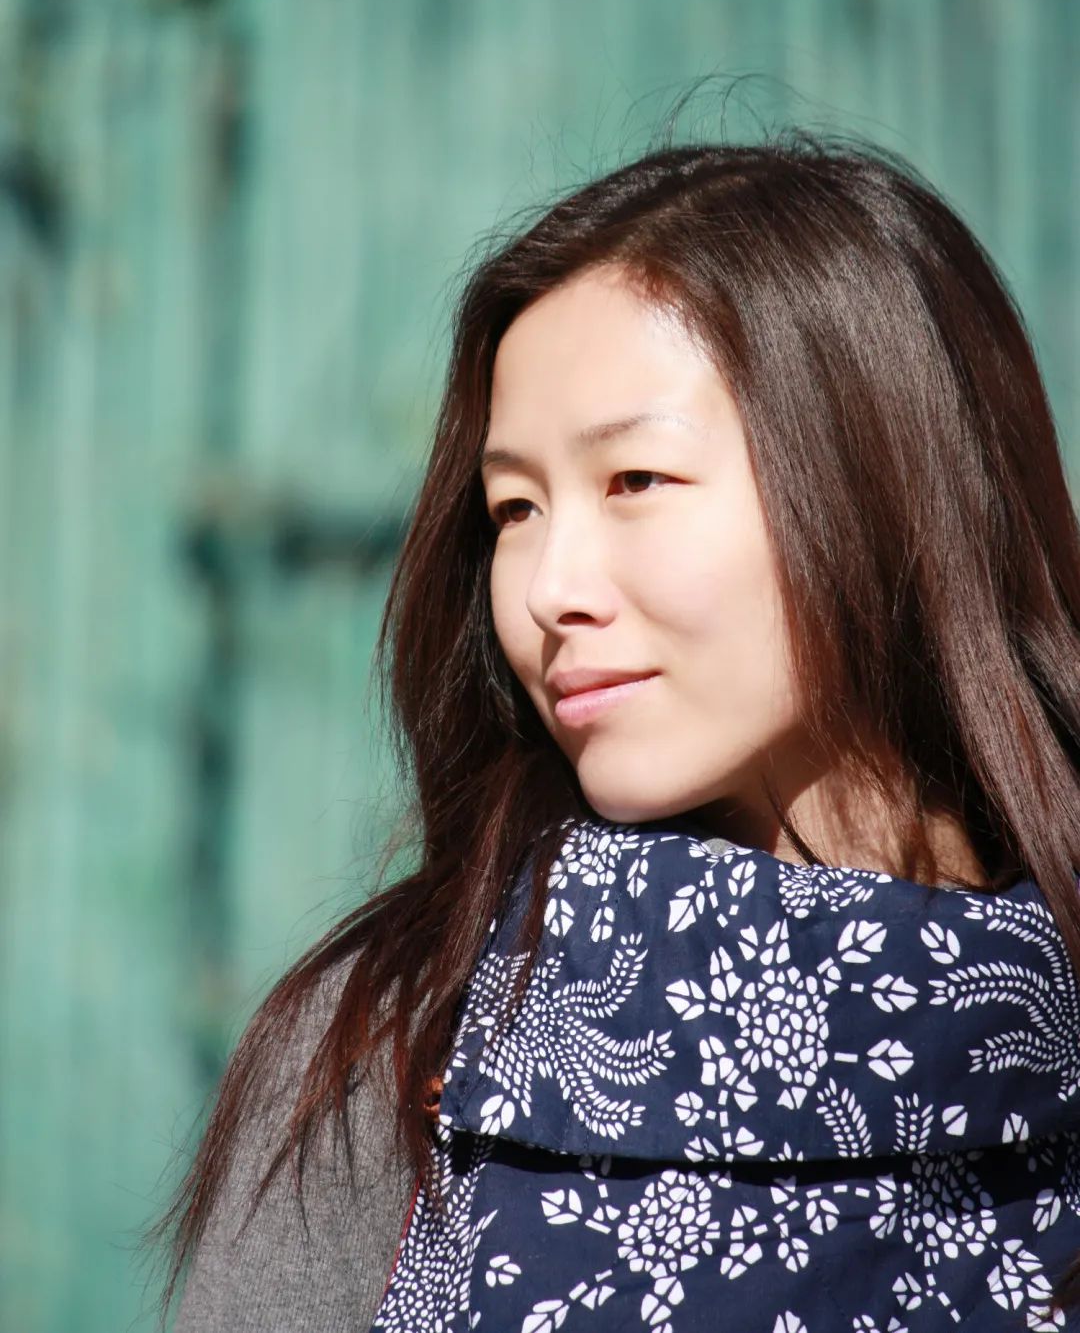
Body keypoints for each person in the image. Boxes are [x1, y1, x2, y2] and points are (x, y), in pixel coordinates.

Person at [148, 135, 1080, 1331]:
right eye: (515, 507)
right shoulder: (403, 1037)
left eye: (635, 479)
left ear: (884, 478)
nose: (549, 588)